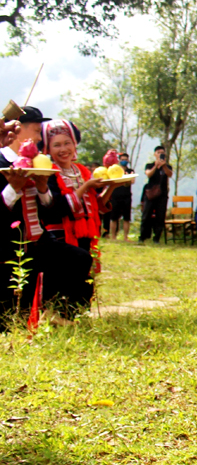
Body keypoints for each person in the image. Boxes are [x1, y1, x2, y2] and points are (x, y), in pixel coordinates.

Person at [0, 109, 93, 326]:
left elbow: (51, 209)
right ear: (18, 130)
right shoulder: (2, 161)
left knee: (78, 258)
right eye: (36, 131)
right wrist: (14, 188)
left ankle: (61, 314)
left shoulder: (40, 164)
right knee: (13, 313)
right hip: (9, 244)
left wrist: (43, 189)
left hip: (39, 240)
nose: (40, 139)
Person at [40, 119, 117, 316]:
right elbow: (58, 208)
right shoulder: (48, 173)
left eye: (67, 143)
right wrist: (85, 187)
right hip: (61, 233)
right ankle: (57, 314)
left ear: (75, 145)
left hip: (86, 232)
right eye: (56, 145)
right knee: (65, 273)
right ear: (48, 148)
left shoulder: (81, 171)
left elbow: (96, 205)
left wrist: (111, 187)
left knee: (84, 273)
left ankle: (78, 314)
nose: (63, 149)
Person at [140, 146, 172, 243]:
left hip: (162, 194)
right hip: (150, 194)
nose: (160, 154)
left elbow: (170, 174)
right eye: (158, 152)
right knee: (146, 215)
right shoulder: (149, 165)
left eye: (162, 153)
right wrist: (156, 166)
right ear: (155, 154)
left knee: (160, 216)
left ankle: (157, 237)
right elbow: (148, 174)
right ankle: (143, 236)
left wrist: (164, 166)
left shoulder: (167, 166)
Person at [108, 153, 135, 241]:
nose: (124, 161)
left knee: (126, 218)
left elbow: (132, 181)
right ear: (119, 160)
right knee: (114, 217)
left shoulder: (131, 171)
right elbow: (111, 181)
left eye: (126, 159)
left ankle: (125, 237)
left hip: (127, 196)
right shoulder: (115, 170)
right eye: (122, 159)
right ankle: (113, 237)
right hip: (115, 195)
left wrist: (127, 178)